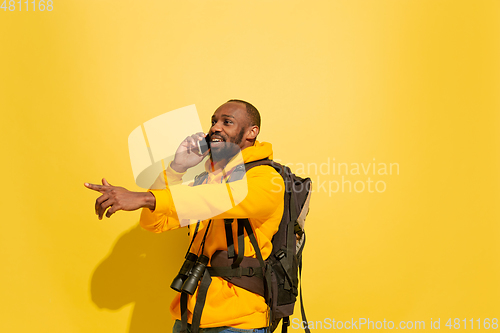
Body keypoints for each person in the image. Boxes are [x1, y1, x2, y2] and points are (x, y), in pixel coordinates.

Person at [85, 100, 285, 333]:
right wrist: (176, 168)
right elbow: (155, 222)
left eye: (227, 122)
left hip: (238, 322)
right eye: (213, 121)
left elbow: (222, 199)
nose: (215, 128)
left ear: (252, 132)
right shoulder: (207, 181)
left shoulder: (267, 179)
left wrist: (146, 198)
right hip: (188, 317)